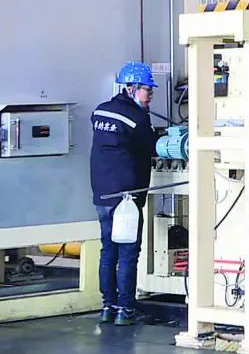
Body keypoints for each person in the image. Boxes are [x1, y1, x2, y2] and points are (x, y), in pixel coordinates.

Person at [90, 62, 157, 326]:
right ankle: (126, 310)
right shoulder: (136, 118)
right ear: (131, 88)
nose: (150, 96)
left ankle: (108, 306)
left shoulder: (100, 111)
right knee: (128, 254)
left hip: (102, 195)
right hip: (127, 198)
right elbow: (151, 147)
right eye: (147, 90)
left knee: (108, 252)